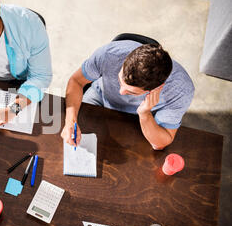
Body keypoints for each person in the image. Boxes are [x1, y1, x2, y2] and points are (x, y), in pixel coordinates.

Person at [61, 41, 194, 150]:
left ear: (156, 89)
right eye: (120, 81)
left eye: (131, 92)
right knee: (75, 135)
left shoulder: (181, 90)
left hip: (139, 120)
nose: (121, 92)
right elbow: (76, 81)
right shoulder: (109, 54)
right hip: (100, 97)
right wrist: (70, 122)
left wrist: (145, 113)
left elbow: (160, 143)